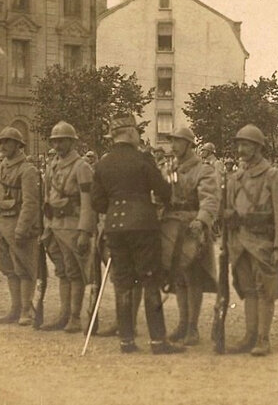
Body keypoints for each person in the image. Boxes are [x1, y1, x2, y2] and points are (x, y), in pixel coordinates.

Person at [91, 114, 184, 354]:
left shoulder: (102, 163)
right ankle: (157, 341)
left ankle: (127, 341)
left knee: (123, 284)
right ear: (131, 133)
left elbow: (97, 202)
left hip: (115, 227)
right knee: (150, 281)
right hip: (143, 225)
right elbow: (163, 192)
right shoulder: (143, 159)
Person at [224, 124, 278, 356]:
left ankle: (263, 338)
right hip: (240, 242)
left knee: (265, 291)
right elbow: (229, 208)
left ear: (258, 147)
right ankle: (249, 335)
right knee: (248, 290)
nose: (241, 149)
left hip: (263, 242)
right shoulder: (236, 177)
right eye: (240, 144)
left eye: (246, 145)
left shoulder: (273, 176)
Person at [161, 127, 220, 346]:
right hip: (172, 225)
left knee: (193, 277)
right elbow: (162, 195)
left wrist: (202, 220)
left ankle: (192, 328)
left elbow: (210, 198)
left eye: (177, 142)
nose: (173, 146)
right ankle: (182, 324)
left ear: (188, 144)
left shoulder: (203, 170)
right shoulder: (170, 168)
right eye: (172, 141)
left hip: (192, 227)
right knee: (178, 277)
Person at [41, 121, 95, 333]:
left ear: (72, 142)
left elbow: (87, 201)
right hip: (54, 225)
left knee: (75, 272)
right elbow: (46, 196)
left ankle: (74, 316)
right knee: (62, 271)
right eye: (55, 141)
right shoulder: (52, 164)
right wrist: (46, 224)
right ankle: (64, 314)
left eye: (62, 140)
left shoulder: (81, 167)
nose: (58, 145)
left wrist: (84, 230)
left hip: (72, 226)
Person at [0, 126, 41, 325]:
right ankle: (15, 308)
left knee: (24, 268)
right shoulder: (1, 167)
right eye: (1, 141)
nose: (4, 145)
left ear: (19, 144)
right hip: (2, 223)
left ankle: (26, 310)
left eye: (8, 141)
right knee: (9, 269)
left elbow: (30, 203)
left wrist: (22, 227)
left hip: (19, 223)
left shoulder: (28, 170)